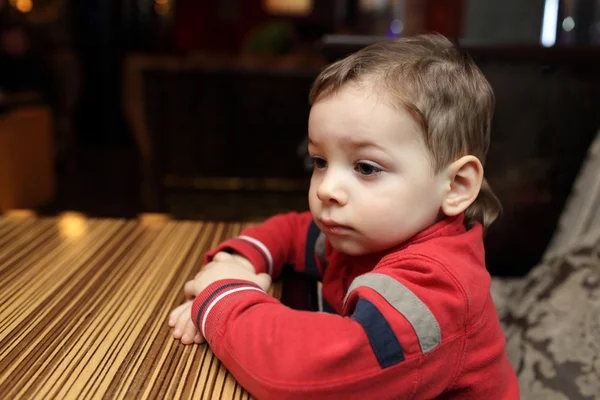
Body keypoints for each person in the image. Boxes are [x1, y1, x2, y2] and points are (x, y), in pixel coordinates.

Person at [168, 33, 519, 399]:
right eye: (320, 161)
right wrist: (237, 260)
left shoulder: (435, 290)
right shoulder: (364, 232)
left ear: (456, 186)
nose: (326, 189)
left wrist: (223, 294)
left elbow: (301, 376)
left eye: (366, 167)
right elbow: (292, 231)